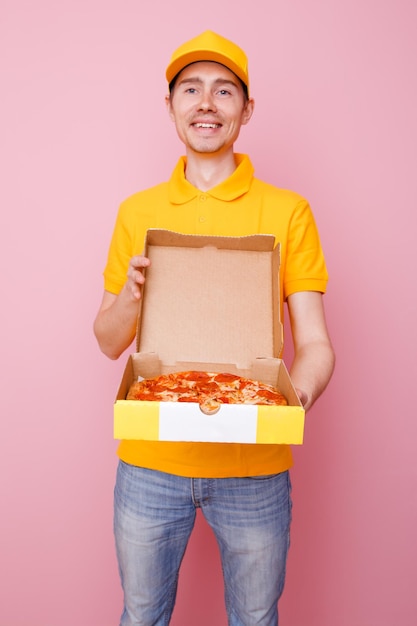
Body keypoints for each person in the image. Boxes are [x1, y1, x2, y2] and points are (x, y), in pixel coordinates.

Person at [94, 30, 335, 626]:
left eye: (225, 91)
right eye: (192, 89)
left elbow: (315, 342)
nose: (207, 102)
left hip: (255, 467)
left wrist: (287, 400)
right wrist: (129, 296)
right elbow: (107, 341)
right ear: (171, 105)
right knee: (141, 615)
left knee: (256, 619)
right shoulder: (137, 211)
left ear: (246, 110)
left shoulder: (288, 211)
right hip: (150, 461)